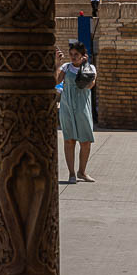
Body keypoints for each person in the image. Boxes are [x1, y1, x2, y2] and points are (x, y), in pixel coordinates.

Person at [56, 42, 97, 183]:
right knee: (69, 140)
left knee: (85, 141)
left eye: (76, 55)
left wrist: (84, 67)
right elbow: (56, 81)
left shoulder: (90, 68)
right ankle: (72, 174)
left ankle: (82, 172)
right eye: (71, 54)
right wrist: (57, 64)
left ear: (82, 55)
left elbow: (90, 85)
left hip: (82, 107)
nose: (73, 57)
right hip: (67, 107)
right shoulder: (66, 68)